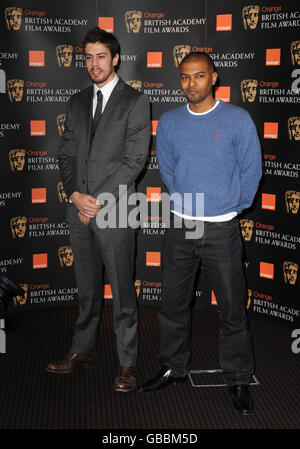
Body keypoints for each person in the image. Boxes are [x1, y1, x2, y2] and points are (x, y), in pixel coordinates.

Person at [138, 52, 262, 415]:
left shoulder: (238, 120)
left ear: (214, 77)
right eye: (184, 77)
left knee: (231, 308)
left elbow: (251, 171)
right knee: (173, 305)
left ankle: (238, 376)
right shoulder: (171, 121)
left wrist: (228, 206)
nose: (191, 83)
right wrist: (188, 205)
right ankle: (173, 366)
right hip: (180, 224)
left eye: (199, 76)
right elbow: (170, 170)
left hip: (223, 227)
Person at [46, 27, 150, 393]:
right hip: (79, 211)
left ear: (115, 58)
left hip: (116, 211)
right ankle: (82, 350)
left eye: (100, 56)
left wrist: (96, 200)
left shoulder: (135, 101)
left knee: (122, 292)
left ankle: (127, 363)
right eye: (88, 57)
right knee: (87, 290)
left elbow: (134, 161)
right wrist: (75, 195)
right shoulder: (75, 102)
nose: (93, 63)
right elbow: (64, 155)